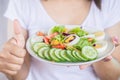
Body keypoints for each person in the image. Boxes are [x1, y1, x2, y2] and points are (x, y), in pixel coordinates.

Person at [0, 0, 120, 80]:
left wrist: (98, 54)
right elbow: (19, 75)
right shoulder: (22, 2)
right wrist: (12, 63)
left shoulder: (110, 3)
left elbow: (114, 76)